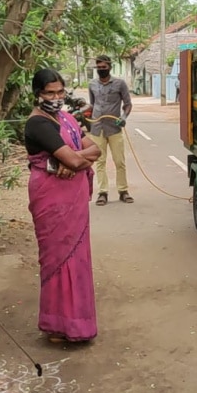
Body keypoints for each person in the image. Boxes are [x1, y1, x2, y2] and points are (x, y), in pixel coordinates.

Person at [24, 68, 101, 343]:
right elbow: (80, 159)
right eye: (49, 92)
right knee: (57, 258)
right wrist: (72, 161)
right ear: (37, 94)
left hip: (72, 195)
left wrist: (69, 160)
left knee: (77, 256)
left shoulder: (66, 118)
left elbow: (95, 149)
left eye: (60, 92)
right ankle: (57, 326)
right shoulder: (39, 124)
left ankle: (78, 325)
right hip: (52, 198)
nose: (56, 97)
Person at [88, 55, 133, 206]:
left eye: (104, 67)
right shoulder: (92, 84)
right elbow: (92, 105)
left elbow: (128, 104)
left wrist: (124, 116)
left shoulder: (120, 84)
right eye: (99, 68)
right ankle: (102, 192)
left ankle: (123, 191)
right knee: (100, 161)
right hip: (97, 128)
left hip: (114, 128)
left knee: (119, 161)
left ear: (109, 67)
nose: (101, 70)